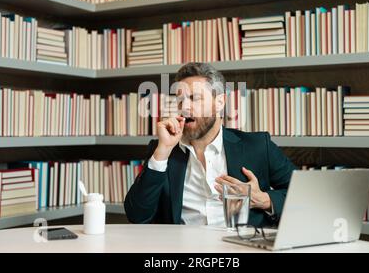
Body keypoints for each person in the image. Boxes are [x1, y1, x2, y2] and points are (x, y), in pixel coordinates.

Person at [124, 62, 296, 227]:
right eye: (180, 99)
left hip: (241, 247)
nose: (185, 107)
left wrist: (264, 199)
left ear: (219, 103)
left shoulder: (258, 146)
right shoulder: (162, 149)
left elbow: (303, 195)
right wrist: (162, 152)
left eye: (194, 98)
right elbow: (137, 215)